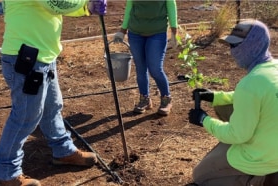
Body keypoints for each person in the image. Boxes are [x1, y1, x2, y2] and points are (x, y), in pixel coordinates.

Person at [0, 1, 106, 186]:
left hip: (42, 56)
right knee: (24, 117)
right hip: (27, 58)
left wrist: (86, 8)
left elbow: (54, 7)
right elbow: (56, 2)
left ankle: (63, 151)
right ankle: (8, 173)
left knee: (52, 108)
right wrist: (86, 3)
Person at [188, 19, 278, 186]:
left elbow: (238, 135)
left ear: (253, 45)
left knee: (200, 175)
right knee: (226, 106)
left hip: (262, 158)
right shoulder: (273, 68)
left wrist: (204, 120)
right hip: (274, 146)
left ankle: (255, 177)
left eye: (236, 46)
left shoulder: (250, 84)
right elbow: (256, 95)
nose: (232, 51)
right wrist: (216, 97)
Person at [113, 0, 178, 116]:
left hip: (157, 33)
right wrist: (122, 30)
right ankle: (145, 99)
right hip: (135, 33)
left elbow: (171, 6)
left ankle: (166, 99)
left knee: (155, 69)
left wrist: (174, 31)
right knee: (141, 68)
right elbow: (129, 7)